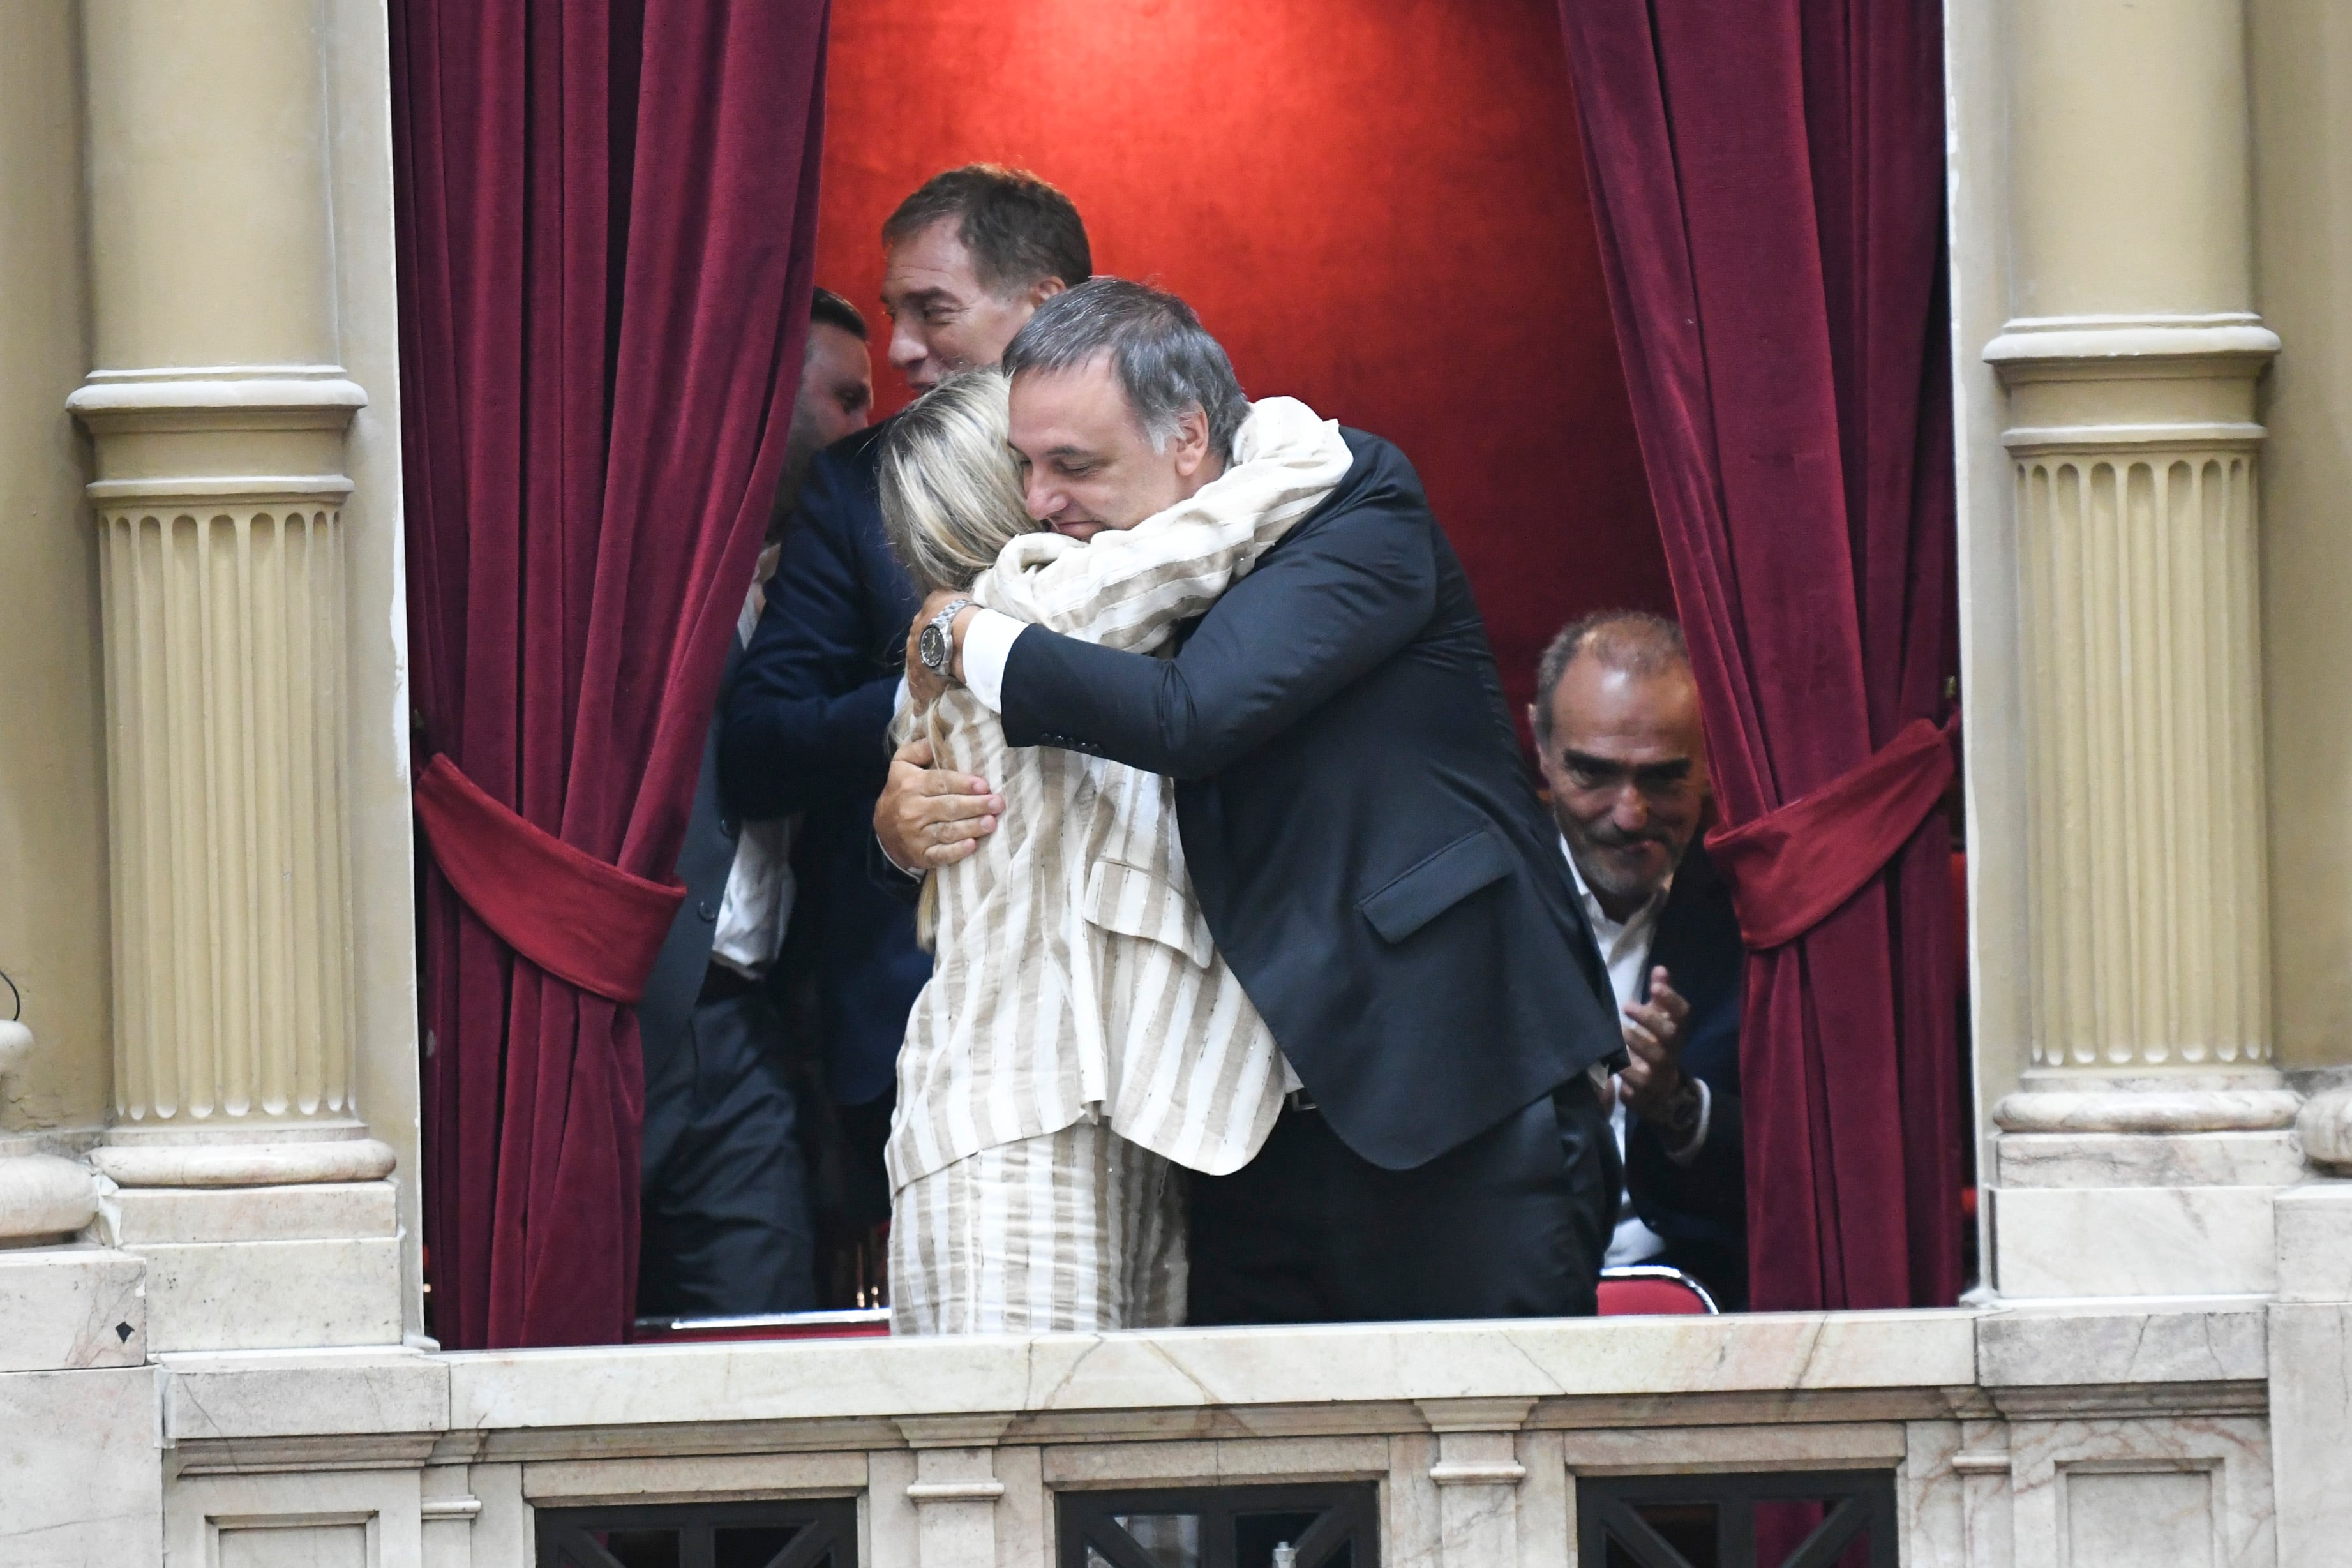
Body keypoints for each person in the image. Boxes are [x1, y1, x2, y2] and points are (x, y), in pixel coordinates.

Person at [879, 278, 1626, 1325]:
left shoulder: (1352, 506)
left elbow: (1193, 715)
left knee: (1489, 1467)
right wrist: (901, 802)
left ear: (1189, 436)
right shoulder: (1122, 588)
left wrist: (960, 634)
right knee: (1276, 1490)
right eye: (1024, 467)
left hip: (1451, 1088)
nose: (1040, 502)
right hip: (1246, 1141)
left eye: (1073, 465)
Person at [876, 361, 1351, 1332]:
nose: (1061, 485)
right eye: (1032, 463)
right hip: (1009, 1137)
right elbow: (1292, 476)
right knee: (1007, 1478)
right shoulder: (1032, 609)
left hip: (1113, 1135)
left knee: (1110, 1484)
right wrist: (1225, 429)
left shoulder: (997, 639)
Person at [721, 168, 1091, 1302]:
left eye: (932, 310)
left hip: (1129, 1005)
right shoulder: (855, 488)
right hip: (921, 999)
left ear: (1044, 307)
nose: (902, 348)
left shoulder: (1158, 471)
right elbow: (758, 739)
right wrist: (929, 692)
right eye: (893, 316)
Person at [633, 288, 875, 1318]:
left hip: (757, 1035)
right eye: (849, 397)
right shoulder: (631, 575)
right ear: (763, 398)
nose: (869, 427)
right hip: (620, 1013)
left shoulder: (832, 597)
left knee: (763, 1334)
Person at [1531, 610, 1748, 1308]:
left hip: (1711, 1306)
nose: (1628, 814)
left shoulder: (1766, 910)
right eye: (1593, 774)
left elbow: (1818, 1175)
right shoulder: (1473, 904)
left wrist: (1678, 1108)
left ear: (1711, 761)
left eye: (1662, 779)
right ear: (1540, 745)